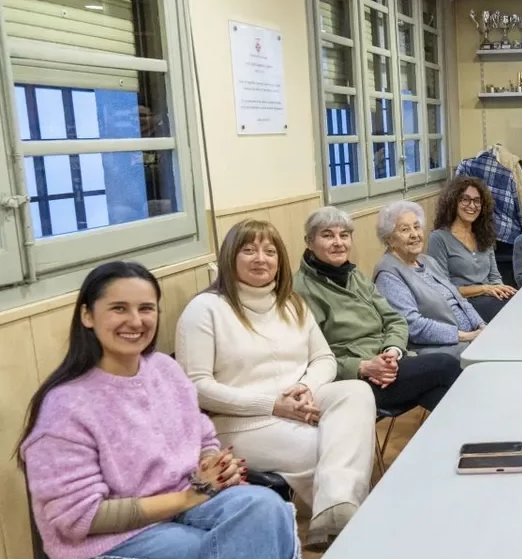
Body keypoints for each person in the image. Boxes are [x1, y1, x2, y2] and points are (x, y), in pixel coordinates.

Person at [19, 262, 298, 559]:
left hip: (187, 501)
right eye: (119, 308)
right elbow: (79, 517)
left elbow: (202, 437)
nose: (135, 321)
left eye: (146, 309)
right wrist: (188, 498)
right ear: (87, 315)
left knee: (267, 507)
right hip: (112, 538)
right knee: (212, 547)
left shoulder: (165, 369)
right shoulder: (64, 407)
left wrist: (212, 464)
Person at [176, 220, 375, 550]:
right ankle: (347, 529)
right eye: (249, 250)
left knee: (356, 391)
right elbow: (196, 387)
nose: (261, 258)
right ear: (229, 257)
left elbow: (324, 358)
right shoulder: (205, 309)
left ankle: (336, 518)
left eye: (270, 251)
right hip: (240, 421)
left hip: (299, 402)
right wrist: (273, 404)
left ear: (280, 260)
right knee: (333, 447)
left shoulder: (292, 303)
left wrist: (306, 387)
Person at [293, 207, 462, 420]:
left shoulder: (354, 275)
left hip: (391, 365)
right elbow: (310, 358)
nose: (338, 242)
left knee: (443, 394)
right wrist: (363, 367)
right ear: (309, 242)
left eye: (344, 235)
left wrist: (392, 351)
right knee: (446, 365)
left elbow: (395, 319)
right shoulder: (300, 290)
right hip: (356, 380)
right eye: (328, 236)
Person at [374, 200, 485, 358]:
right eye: (405, 229)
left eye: (417, 227)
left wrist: (481, 326)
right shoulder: (388, 274)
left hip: (467, 337)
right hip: (436, 348)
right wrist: (466, 336)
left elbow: (460, 300)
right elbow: (412, 325)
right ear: (390, 239)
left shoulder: (427, 261)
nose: (414, 234)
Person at [427, 176, 517, 321]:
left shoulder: (484, 234)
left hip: (489, 299)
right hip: (462, 304)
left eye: (477, 201)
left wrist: (501, 291)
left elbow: (495, 277)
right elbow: (442, 289)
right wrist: (484, 289)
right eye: (465, 199)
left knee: (520, 303)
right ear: (453, 202)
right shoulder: (439, 238)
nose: (472, 205)